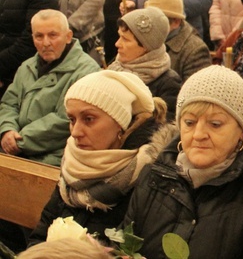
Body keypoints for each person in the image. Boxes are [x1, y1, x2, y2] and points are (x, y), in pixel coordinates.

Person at [123, 65, 243, 258]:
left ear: (242, 130)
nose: (199, 134)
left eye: (215, 124)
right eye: (189, 123)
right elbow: (126, 243)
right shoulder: (155, 172)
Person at [27, 71, 170, 245]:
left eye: (89, 119)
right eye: (72, 119)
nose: (75, 132)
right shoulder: (73, 164)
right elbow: (41, 234)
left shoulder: (148, 175)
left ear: (120, 123)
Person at [0, 10, 100, 165]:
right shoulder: (27, 67)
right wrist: (7, 130)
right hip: (14, 146)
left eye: (53, 35)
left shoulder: (86, 71)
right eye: (39, 36)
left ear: (68, 36)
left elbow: (64, 121)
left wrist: (18, 141)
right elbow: (8, 103)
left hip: (56, 157)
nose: (45, 43)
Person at [110, 7, 182, 117]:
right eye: (119, 37)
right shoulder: (114, 67)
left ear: (146, 46)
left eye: (125, 39)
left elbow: (163, 128)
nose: (117, 44)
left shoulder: (168, 84)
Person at [145, 0, 211, 82]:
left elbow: (194, 93)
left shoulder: (195, 51)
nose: (150, 26)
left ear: (176, 22)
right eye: (148, 19)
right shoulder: (142, 39)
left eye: (157, 21)